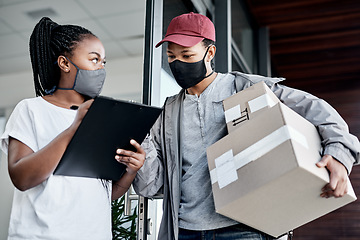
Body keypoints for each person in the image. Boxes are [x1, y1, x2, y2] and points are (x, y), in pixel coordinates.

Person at [116, 12, 360, 240]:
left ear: (210, 53)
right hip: (186, 229)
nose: (178, 63)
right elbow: (153, 186)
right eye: (171, 57)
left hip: (245, 227)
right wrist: (140, 163)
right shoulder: (168, 112)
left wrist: (339, 153)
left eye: (187, 56)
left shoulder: (246, 88)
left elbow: (317, 109)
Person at [0, 17, 146, 240]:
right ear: (65, 63)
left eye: (103, 62)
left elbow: (106, 193)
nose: (101, 68)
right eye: (94, 59)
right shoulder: (30, 109)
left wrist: (130, 171)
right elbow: (21, 177)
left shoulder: (102, 118)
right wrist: (74, 128)